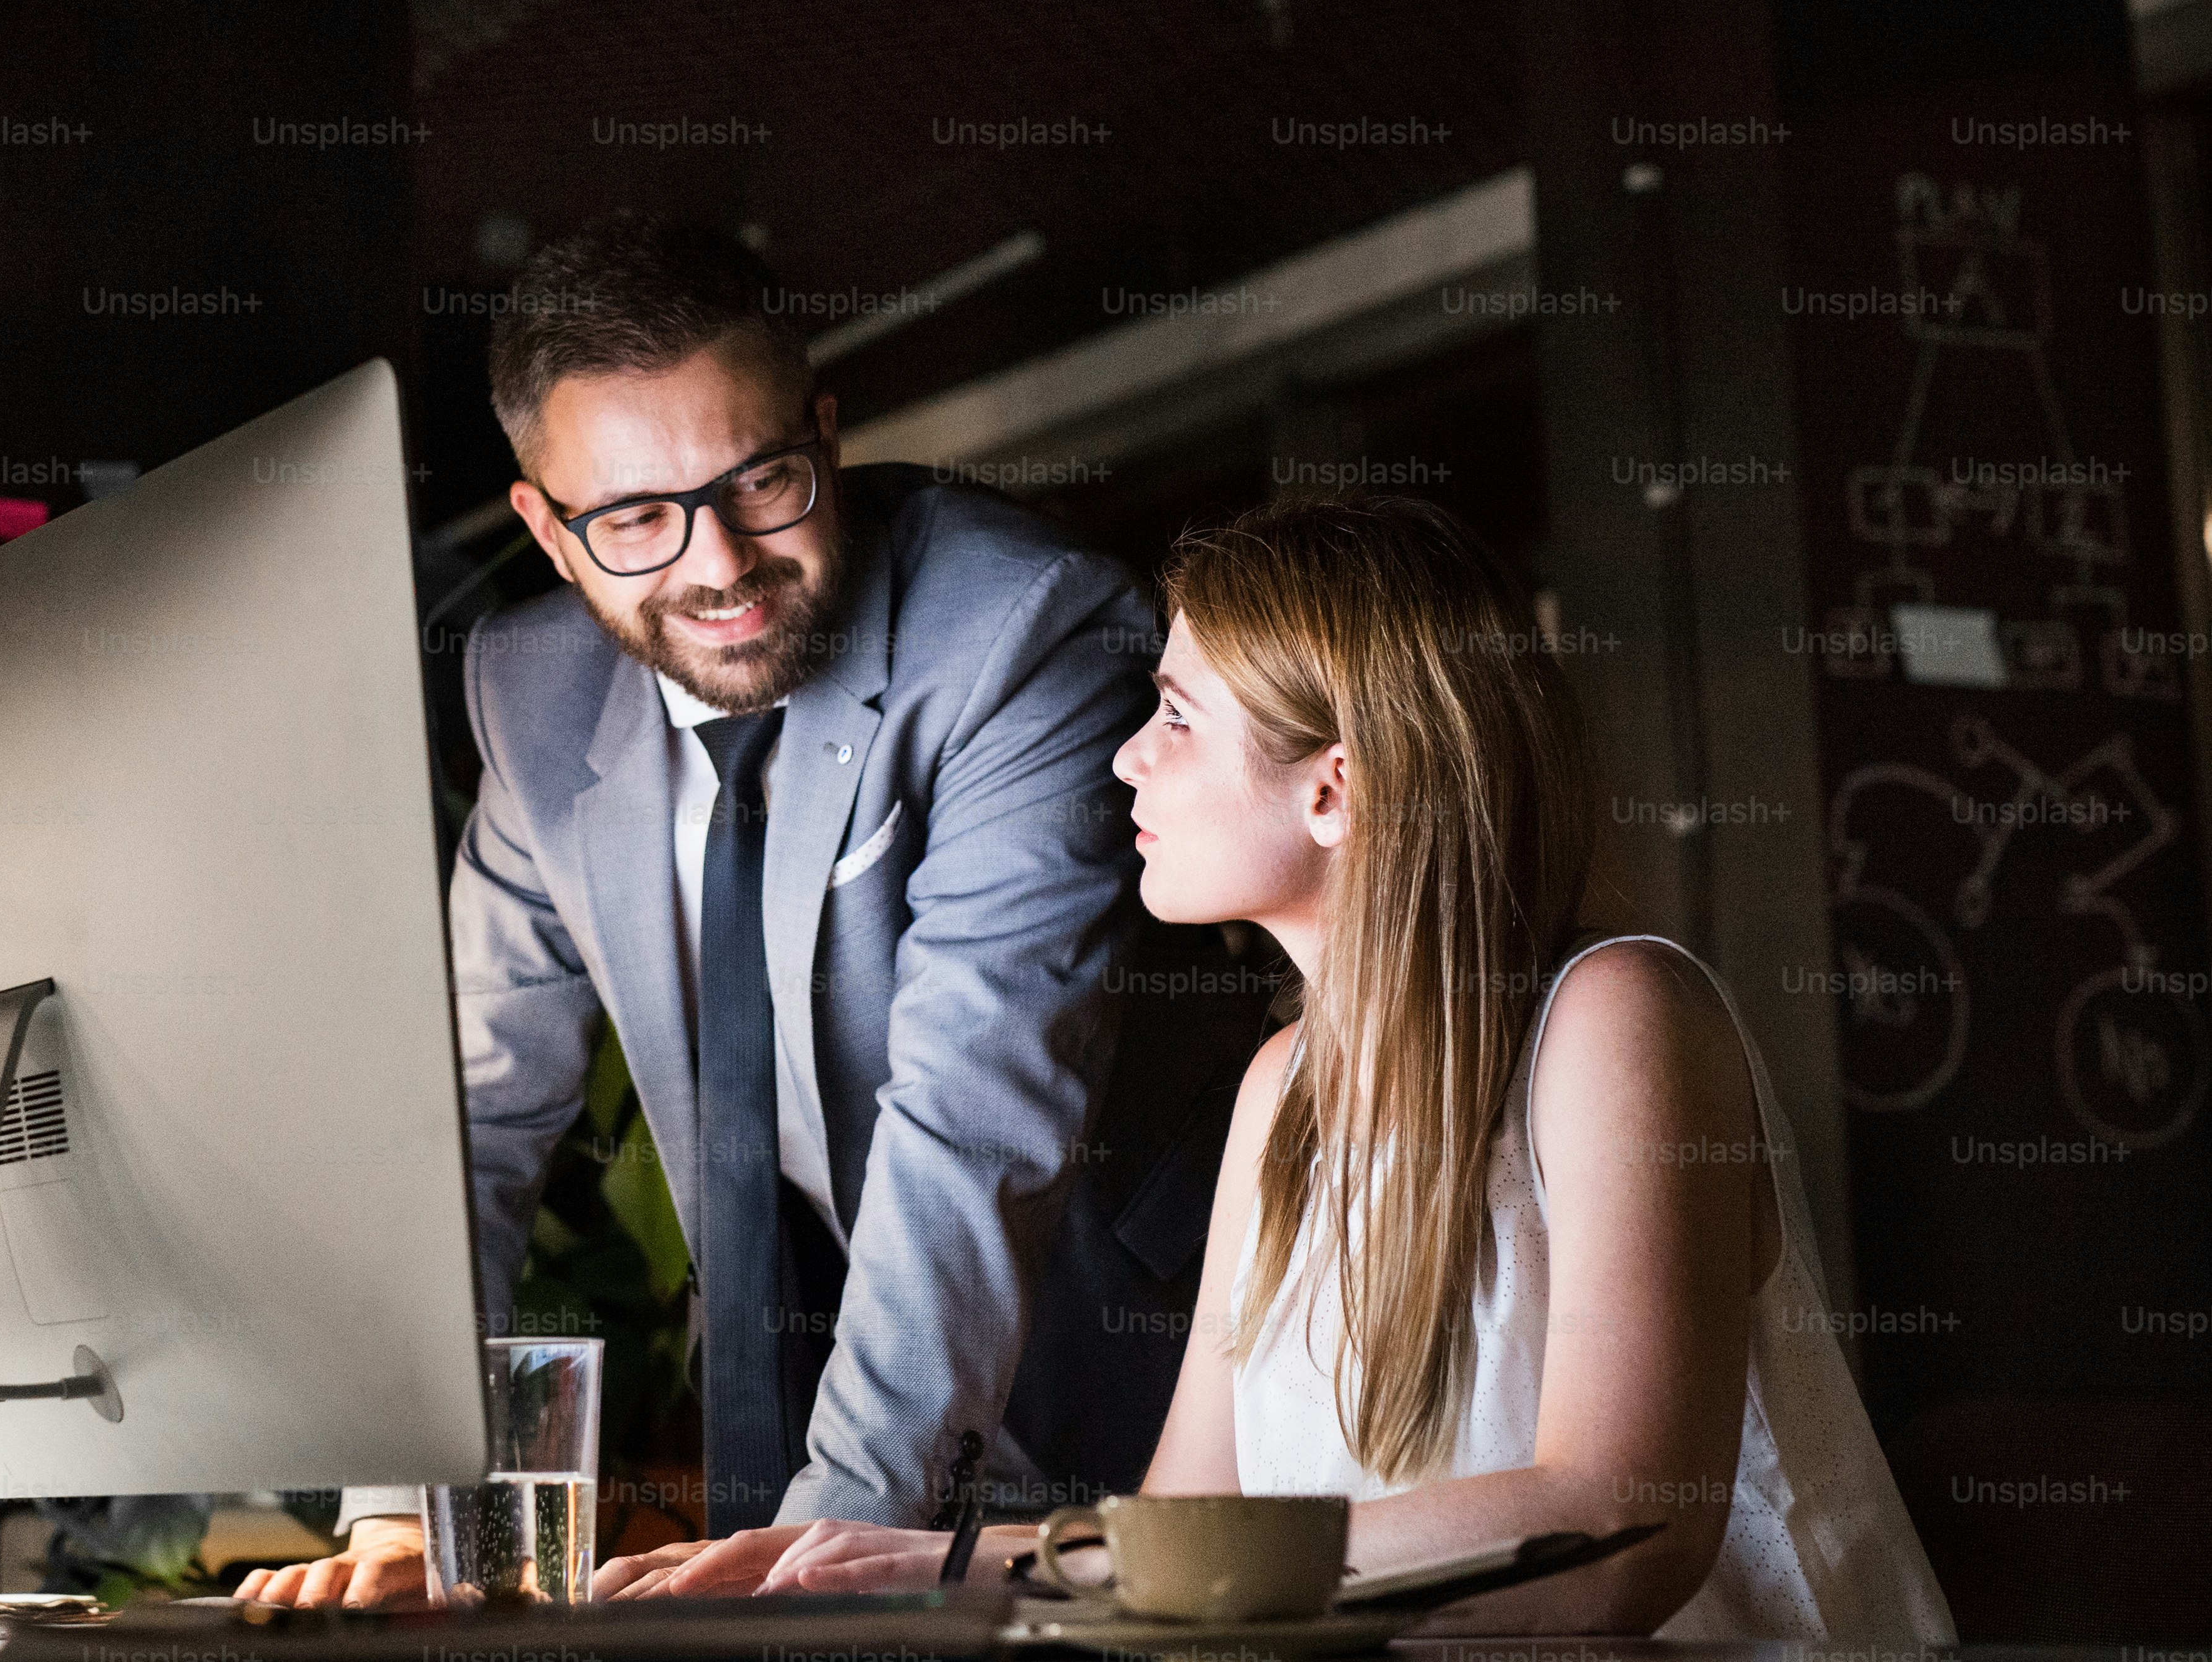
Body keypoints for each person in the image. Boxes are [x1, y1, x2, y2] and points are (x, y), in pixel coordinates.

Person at [606, 496, 1956, 1641]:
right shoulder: (1279, 1094)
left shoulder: (1615, 1017)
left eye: (1175, 717)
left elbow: (1616, 1529)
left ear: (1333, 788)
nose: (1127, 757)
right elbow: (1193, 1531)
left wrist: (1036, 1567)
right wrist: (920, 1563)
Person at [240, 213, 1253, 1606]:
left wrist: (820, 1543)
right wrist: (397, 1510)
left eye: (761, 479)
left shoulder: (1022, 629)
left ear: (824, 435)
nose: (718, 562)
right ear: (543, 527)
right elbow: (461, 1119)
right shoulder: (527, 696)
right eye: (635, 517)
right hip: (791, 1412)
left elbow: (972, 1120)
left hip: (1114, 1382)